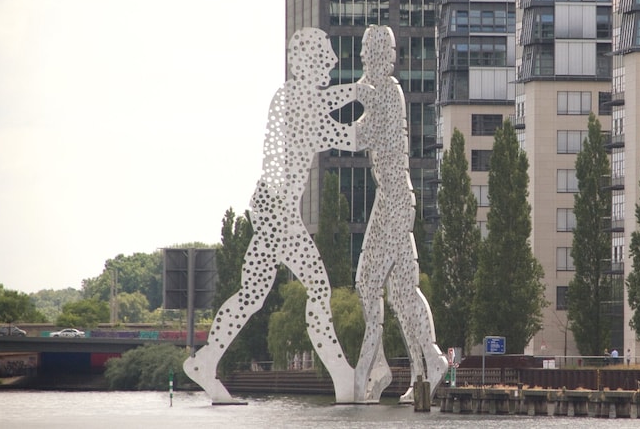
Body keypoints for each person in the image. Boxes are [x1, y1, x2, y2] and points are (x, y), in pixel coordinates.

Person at [183, 28, 366, 404]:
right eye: (326, 56)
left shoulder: (294, 100)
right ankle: (343, 378)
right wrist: (366, 91)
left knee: (252, 294)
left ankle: (206, 360)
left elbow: (333, 119)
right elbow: (348, 137)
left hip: (271, 205)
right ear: (307, 61)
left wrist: (361, 92)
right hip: (277, 209)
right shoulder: (294, 98)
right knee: (318, 288)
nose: (332, 62)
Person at [351, 24, 448, 403]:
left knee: (366, 282)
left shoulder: (388, 93)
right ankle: (427, 368)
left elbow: (359, 137)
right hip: (391, 200)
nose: (360, 58)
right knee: (404, 292)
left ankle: (378, 367)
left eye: (365, 51)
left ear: (379, 55)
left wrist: (321, 121)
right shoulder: (381, 92)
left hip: (394, 203)